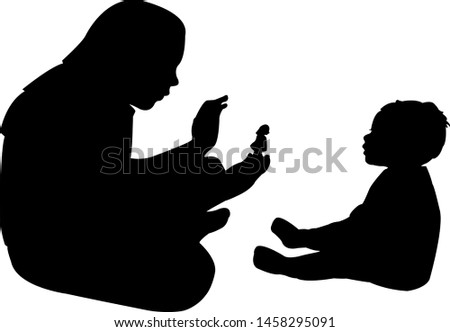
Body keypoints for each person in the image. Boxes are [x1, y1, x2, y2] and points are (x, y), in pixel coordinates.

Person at [0, 0, 269, 311]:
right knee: (190, 274)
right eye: (166, 65)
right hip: (52, 251)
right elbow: (104, 196)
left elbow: (114, 176)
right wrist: (217, 187)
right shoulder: (69, 104)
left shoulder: (87, 96)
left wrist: (198, 146)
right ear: (129, 57)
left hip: (79, 220)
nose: (173, 80)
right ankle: (176, 231)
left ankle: (179, 225)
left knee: (204, 168)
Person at [254, 100, 447, 291]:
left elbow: (359, 229)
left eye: (377, 133)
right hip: (388, 251)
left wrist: (310, 238)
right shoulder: (401, 177)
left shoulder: (405, 183)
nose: (366, 138)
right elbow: (361, 226)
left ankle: (287, 265)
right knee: (346, 246)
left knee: (339, 261)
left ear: (403, 143)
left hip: (401, 270)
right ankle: (298, 240)